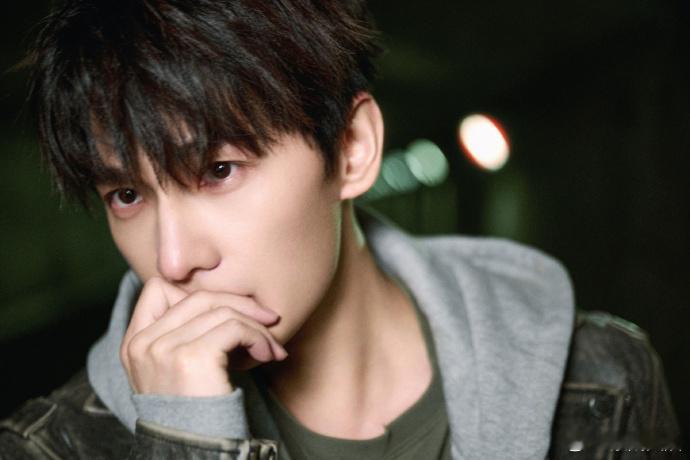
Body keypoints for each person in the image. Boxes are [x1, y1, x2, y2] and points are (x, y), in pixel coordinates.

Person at [0, 0, 682, 459]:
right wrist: (188, 441)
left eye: (219, 170)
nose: (173, 258)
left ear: (352, 150)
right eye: (126, 195)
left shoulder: (603, 384)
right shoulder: (52, 447)